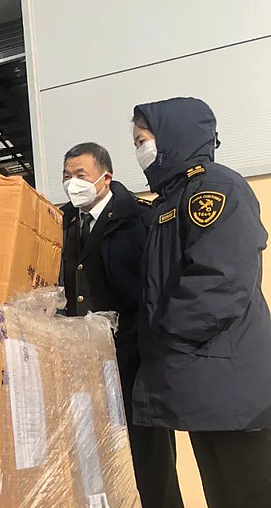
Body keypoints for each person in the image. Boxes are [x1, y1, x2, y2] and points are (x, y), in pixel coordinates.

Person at [131, 97, 271, 508]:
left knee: (248, 490)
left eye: (142, 140)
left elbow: (222, 279)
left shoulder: (213, 189)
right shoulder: (172, 200)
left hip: (225, 379)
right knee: (223, 491)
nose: (139, 150)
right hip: (202, 378)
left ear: (171, 136)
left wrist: (169, 337)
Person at [60, 142, 184, 507]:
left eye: (80, 175)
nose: (72, 183)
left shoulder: (140, 219)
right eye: (66, 176)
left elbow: (156, 290)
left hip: (133, 360)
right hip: (84, 364)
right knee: (96, 460)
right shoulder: (65, 222)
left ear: (105, 177)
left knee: (150, 461)